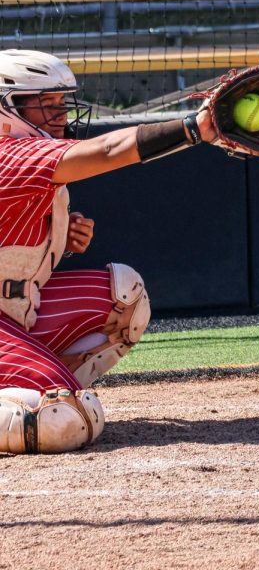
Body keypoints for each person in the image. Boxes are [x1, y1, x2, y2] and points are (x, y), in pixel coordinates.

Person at [0, 50, 223, 454]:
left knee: (124, 296)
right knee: (62, 419)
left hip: (14, 312)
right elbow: (106, 151)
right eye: (46, 104)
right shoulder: (8, 152)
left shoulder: (21, 153)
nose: (61, 115)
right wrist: (196, 128)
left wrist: (60, 238)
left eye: (60, 103)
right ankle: (45, 389)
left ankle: (37, 380)